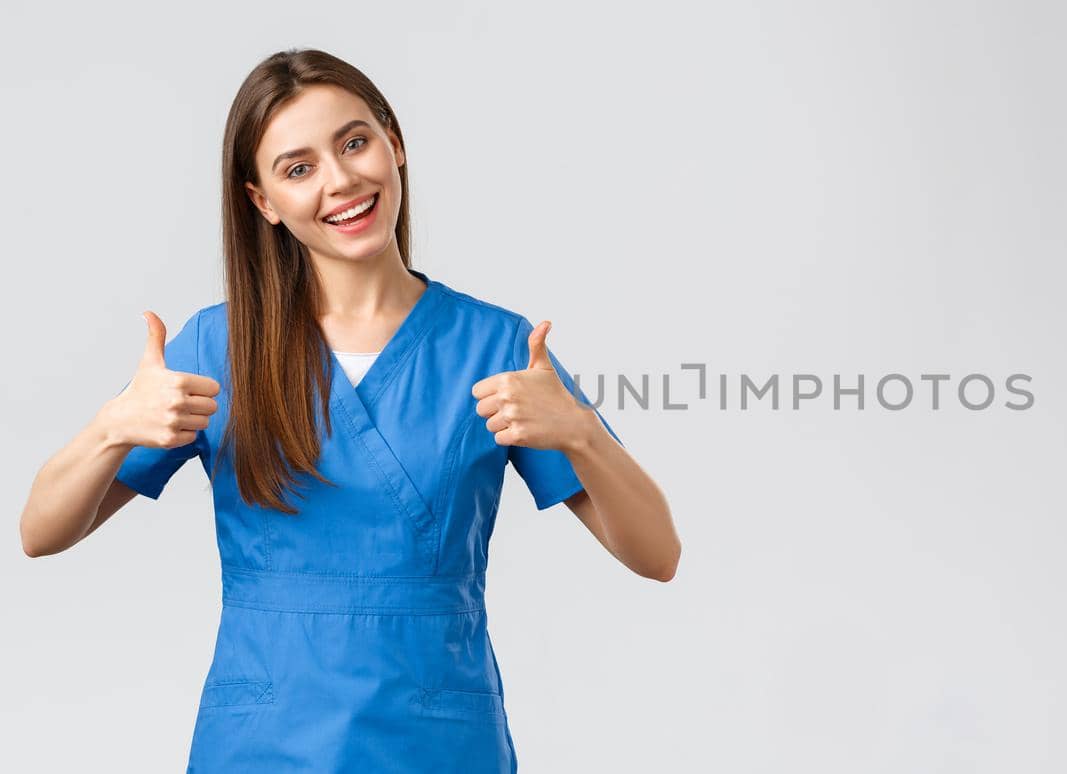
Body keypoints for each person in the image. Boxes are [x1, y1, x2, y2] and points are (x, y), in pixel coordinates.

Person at [17, 48, 679, 772]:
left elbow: (657, 555)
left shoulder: (495, 347)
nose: (340, 181)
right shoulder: (218, 346)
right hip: (264, 741)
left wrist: (583, 434)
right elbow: (40, 533)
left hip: (437, 737)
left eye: (354, 143)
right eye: (298, 168)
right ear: (263, 201)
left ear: (394, 143)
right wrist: (112, 428)